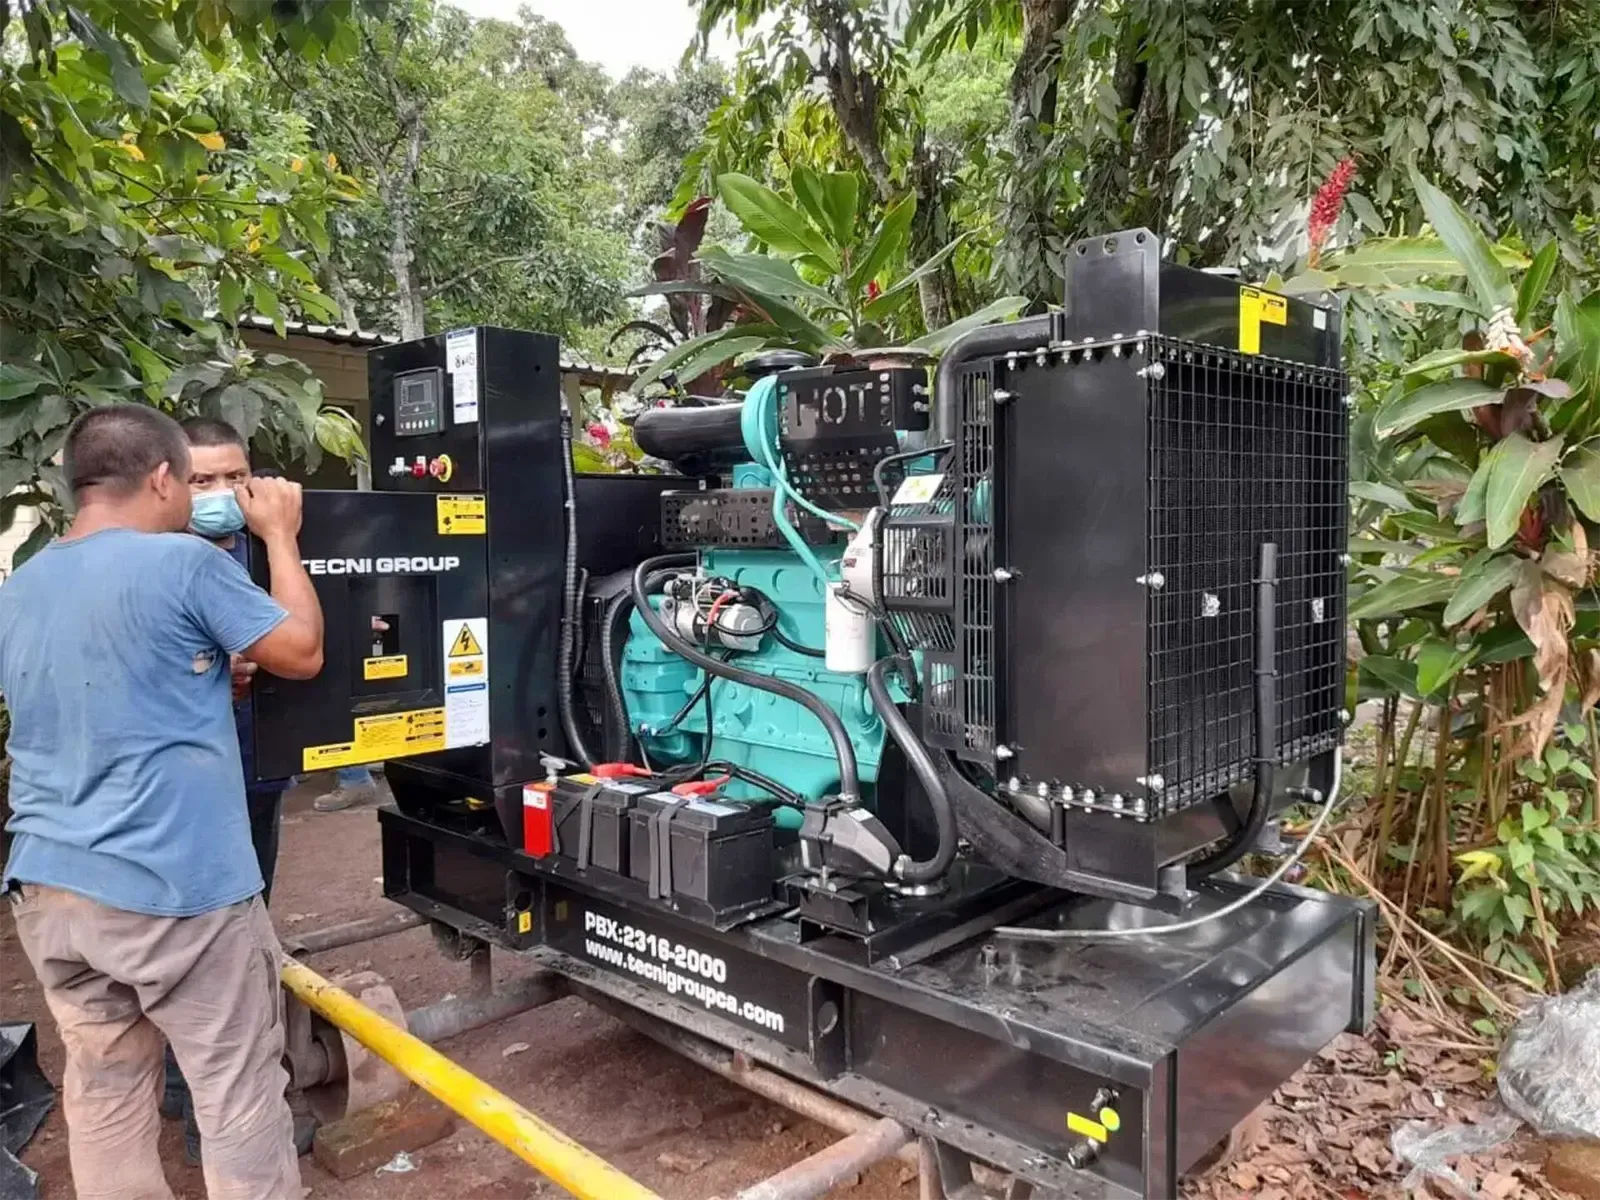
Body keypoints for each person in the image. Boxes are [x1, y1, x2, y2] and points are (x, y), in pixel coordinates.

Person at [0, 406, 323, 1200]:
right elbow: (302, 652)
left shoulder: (25, 583)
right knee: (238, 1094)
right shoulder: (183, 564)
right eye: (195, 479)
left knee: (105, 1090)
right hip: (173, 887)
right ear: (160, 478)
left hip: (50, 890)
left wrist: (208, 668)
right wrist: (281, 535)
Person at [161, 418, 313, 1163]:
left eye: (235, 477)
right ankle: (207, 1120)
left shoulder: (261, 550)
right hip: (186, 791)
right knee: (205, 949)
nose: (223, 495)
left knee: (248, 925)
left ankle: (176, 1087)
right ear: (165, 482)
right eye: (202, 481)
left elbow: (306, 640)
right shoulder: (158, 561)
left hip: (257, 771)